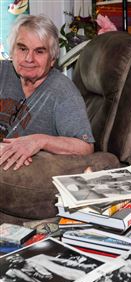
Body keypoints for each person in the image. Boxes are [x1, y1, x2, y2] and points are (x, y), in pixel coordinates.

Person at [0, 14, 94, 171]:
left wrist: (39, 141)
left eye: (39, 51)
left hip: (24, 176)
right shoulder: (3, 72)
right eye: (22, 48)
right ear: (12, 51)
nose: (29, 58)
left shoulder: (63, 92)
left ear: (52, 59)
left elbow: (85, 147)